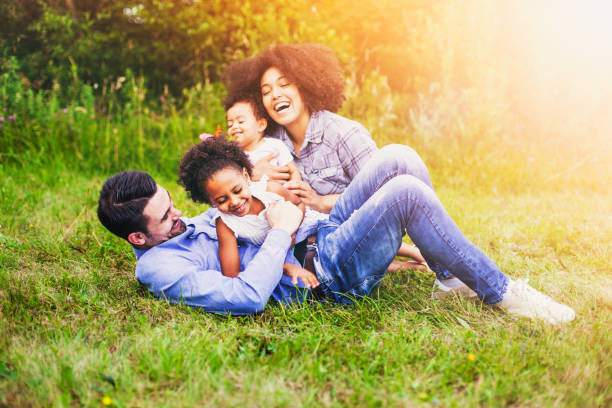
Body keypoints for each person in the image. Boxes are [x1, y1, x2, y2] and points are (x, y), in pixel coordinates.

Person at [97, 160, 575, 324]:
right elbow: (243, 297)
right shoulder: (158, 269)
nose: (178, 214)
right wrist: (282, 233)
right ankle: (502, 293)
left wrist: (275, 190)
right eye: (166, 216)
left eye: (171, 202)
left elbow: (237, 202)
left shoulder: (194, 220)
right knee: (406, 194)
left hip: (318, 236)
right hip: (324, 275)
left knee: (397, 158)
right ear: (139, 237)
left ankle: (450, 279)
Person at [223, 43, 463, 294]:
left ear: (305, 84)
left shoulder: (344, 133)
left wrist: (321, 201)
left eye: (284, 84)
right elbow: (225, 180)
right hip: (316, 251)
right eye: (266, 91)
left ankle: (445, 271)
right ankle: (397, 263)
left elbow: (388, 195)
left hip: (363, 232)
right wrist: (252, 171)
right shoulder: (268, 144)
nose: (275, 95)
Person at [177, 136, 322, 288]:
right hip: (295, 255)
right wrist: (285, 266)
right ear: (210, 201)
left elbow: (299, 203)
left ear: (246, 177)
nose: (234, 201)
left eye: (237, 190)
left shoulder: (269, 190)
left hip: (314, 229)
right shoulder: (225, 224)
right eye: (221, 200)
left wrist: (290, 229)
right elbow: (231, 274)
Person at [224, 93, 302, 184]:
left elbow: (294, 171)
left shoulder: (275, 145)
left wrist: (294, 186)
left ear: (261, 125)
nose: (234, 126)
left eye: (241, 121)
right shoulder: (233, 156)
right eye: (230, 125)